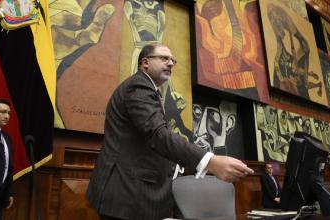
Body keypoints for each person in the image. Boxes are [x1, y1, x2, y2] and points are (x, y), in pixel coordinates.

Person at [85, 43, 254, 220]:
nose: (171, 63)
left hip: (134, 195)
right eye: (164, 58)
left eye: (172, 60)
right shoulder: (138, 86)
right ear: (145, 63)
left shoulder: (146, 89)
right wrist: (210, 161)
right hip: (125, 194)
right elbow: (158, 134)